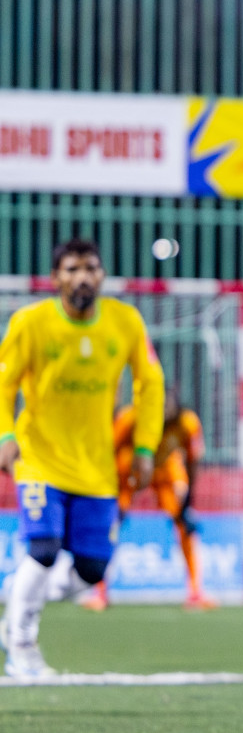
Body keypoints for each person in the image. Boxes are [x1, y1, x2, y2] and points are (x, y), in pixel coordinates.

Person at [0, 238, 166, 678]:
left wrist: (146, 446)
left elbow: (150, 384)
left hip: (96, 467)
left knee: (91, 570)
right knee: (44, 548)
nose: (82, 277)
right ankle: (21, 645)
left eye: (90, 267)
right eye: (72, 269)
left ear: (102, 275)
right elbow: (4, 382)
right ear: (56, 279)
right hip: (39, 458)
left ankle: (20, 602)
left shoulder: (124, 322)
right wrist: (5, 433)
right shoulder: (30, 323)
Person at [84, 386, 212, 611]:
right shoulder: (129, 418)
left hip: (164, 470)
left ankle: (195, 592)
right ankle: (100, 592)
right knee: (111, 524)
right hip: (129, 471)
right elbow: (107, 454)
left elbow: (192, 463)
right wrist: (110, 496)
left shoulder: (187, 424)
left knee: (185, 524)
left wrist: (187, 502)